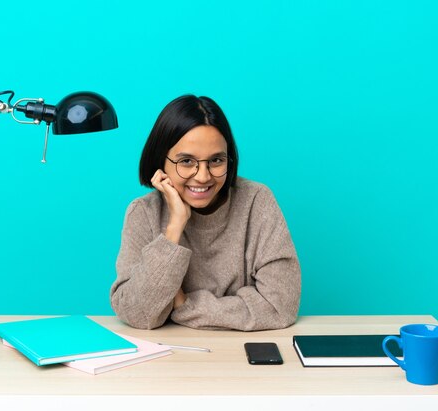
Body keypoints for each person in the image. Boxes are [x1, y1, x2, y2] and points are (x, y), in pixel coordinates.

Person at [110, 95, 301, 331]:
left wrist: (184, 305)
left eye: (216, 160)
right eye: (187, 161)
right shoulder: (143, 213)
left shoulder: (256, 201)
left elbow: (279, 307)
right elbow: (138, 313)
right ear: (161, 160)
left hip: (244, 354)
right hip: (170, 359)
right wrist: (174, 227)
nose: (203, 176)